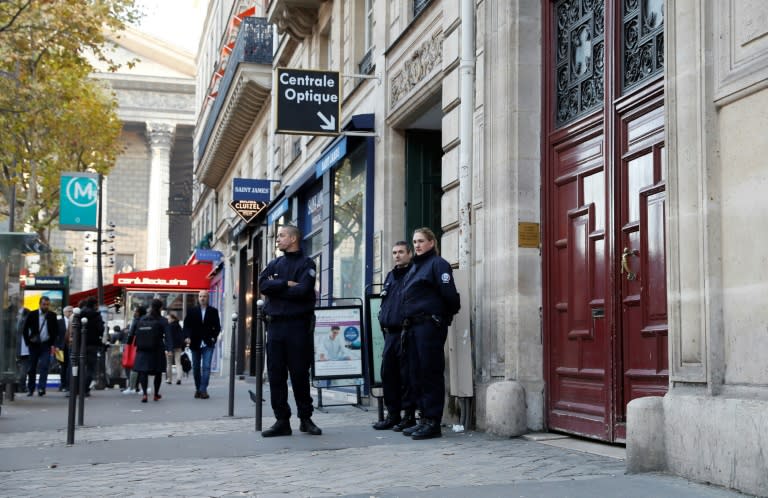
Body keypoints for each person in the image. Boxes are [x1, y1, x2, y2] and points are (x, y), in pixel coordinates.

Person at [258, 225, 321, 437]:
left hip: (297, 327)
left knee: (299, 374)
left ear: (293, 238)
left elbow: (303, 291)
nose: (278, 239)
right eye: (277, 236)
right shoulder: (274, 263)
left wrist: (277, 290)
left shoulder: (307, 264)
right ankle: (281, 421)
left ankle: (305, 418)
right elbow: (262, 285)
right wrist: (286, 283)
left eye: (282, 236)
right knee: (276, 375)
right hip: (275, 327)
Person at [400, 227, 460, 440]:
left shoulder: (438, 264)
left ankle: (433, 422)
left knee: (430, 372)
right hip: (413, 327)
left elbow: (450, 296)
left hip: (429, 326)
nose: (416, 245)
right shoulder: (415, 267)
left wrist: (442, 317)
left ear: (432, 243)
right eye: (414, 241)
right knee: (417, 373)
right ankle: (424, 418)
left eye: (421, 241)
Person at [374, 241, 416, 431]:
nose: (397, 255)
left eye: (401, 252)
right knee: (388, 374)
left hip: (406, 332)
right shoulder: (391, 275)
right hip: (390, 334)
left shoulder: (414, 273)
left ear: (409, 253)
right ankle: (393, 415)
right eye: (394, 252)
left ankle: (408, 416)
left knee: (406, 375)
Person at [183, 290, 221, 399]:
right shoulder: (192, 311)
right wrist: (187, 337)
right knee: (195, 368)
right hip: (195, 343)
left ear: (208, 298)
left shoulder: (213, 311)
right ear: (198, 298)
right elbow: (186, 326)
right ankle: (198, 388)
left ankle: (203, 390)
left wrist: (214, 337)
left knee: (206, 367)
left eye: (204, 296)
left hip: (208, 343)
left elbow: (217, 327)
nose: (202, 298)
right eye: (200, 296)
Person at [133, 298, 170, 403]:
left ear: (151, 307)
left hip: (143, 349)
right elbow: (168, 336)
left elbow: (134, 333)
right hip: (157, 349)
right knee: (158, 372)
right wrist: (169, 348)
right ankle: (155, 394)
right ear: (161, 308)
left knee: (143, 372)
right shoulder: (162, 320)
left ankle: (144, 394)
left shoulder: (143, 319)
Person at [21, 296, 59, 396]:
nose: (46, 307)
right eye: (44, 304)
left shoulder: (52, 315)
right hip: (34, 345)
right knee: (32, 368)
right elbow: (24, 329)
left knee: (44, 366)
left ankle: (41, 388)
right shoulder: (32, 314)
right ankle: (31, 389)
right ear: (39, 304)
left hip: (46, 345)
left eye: (47, 305)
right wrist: (28, 342)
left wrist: (54, 344)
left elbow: (56, 331)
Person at [81, 296, 105, 397]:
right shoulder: (96, 315)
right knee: (90, 368)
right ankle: (85, 389)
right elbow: (101, 330)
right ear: (95, 305)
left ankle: (76, 387)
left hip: (80, 344)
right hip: (93, 344)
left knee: (79, 366)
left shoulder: (80, 313)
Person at [123, 306, 147, 394]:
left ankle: (132, 387)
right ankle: (141, 387)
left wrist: (128, 345)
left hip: (134, 344)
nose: (135, 312)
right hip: (145, 343)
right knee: (142, 366)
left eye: (136, 311)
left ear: (139, 312)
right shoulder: (147, 319)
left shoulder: (136, 320)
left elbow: (131, 332)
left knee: (133, 366)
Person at [56, 306, 73, 392]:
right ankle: (62, 384)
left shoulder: (74, 321)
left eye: (71, 311)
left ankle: (68, 384)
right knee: (62, 366)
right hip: (60, 347)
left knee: (70, 365)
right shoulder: (59, 322)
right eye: (69, 311)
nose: (70, 313)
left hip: (70, 346)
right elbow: (56, 335)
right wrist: (56, 346)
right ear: (64, 312)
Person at [165, 313, 185, 385]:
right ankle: (179, 378)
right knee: (178, 363)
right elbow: (182, 337)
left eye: (168, 319)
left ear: (173, 319)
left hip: (170, 347)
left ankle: (169, 379)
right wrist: (182, 346)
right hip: (178, 347)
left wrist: (167, 348)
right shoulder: (179, 326)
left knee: (169, 363)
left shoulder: (169, 327)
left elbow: (168, 338)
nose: (167, 320)